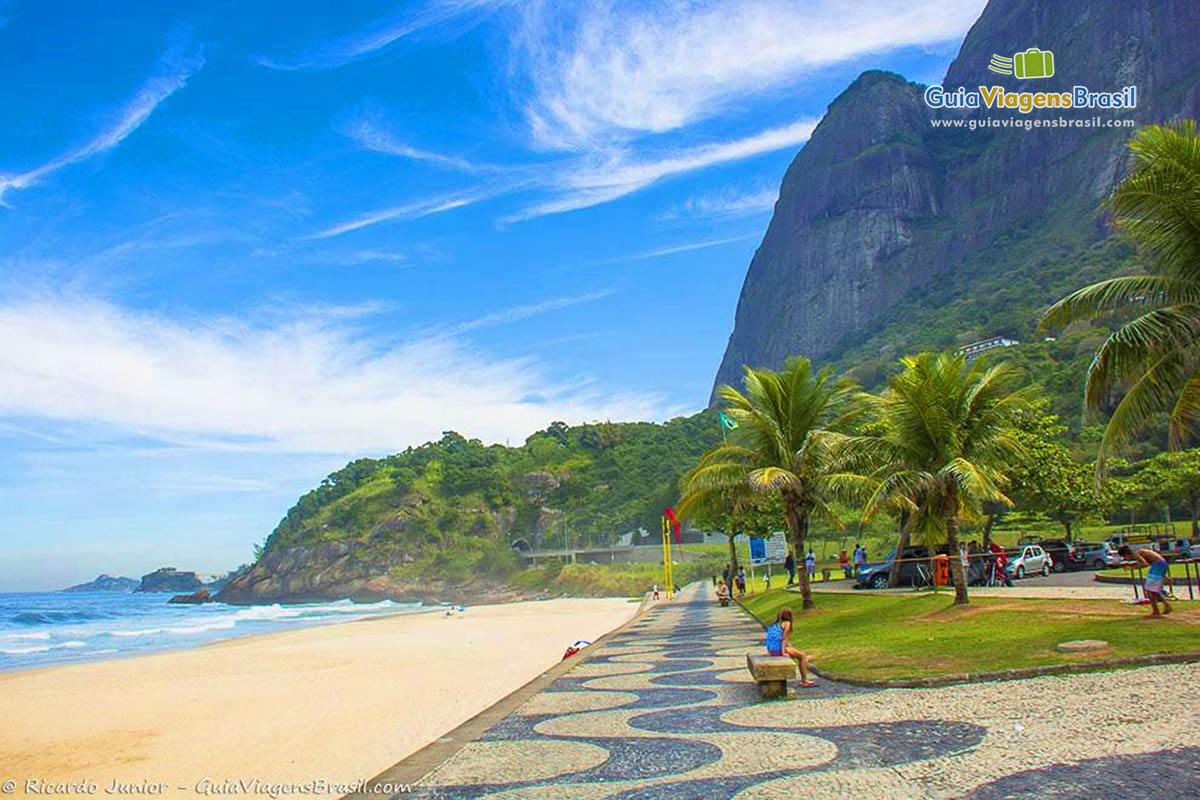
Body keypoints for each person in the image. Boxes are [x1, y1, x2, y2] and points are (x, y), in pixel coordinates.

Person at [764, 607, 815, 687]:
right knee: (802, 656)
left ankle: (805, 664)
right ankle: (804, 681)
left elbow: (776, 638)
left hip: (772, 649)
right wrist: (783, 652)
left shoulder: (776, 624)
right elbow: (784, 638)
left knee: (800, 654)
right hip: (778, 649)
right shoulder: (787, 623)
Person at [1119, 545, 1172, 617]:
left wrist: (1132, 568)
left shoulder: (1135, 553)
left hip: (1158, 565)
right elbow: (1149, 560)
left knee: (1149, 590)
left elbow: (1144, 564)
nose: (1125, 558)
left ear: (1125, 554)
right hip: (1160, 564)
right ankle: (1166, 606)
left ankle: (1156, 612)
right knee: (1153, 590)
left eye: (1124, 557)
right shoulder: (1139, 552)